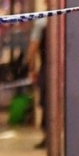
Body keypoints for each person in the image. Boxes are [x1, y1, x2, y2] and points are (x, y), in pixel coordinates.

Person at [27, 16, 48, 148]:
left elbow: (33, 47)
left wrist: (32, 68)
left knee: (45, 102)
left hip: (47, 68)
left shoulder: (41, 23)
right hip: (54, 67)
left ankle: (47, 135)